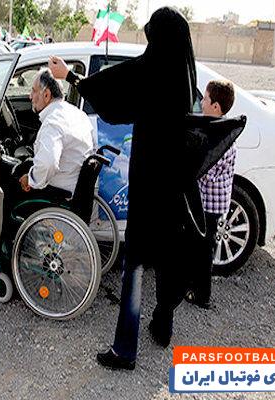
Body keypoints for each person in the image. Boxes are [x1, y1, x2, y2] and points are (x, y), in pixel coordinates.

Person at [48, 7, 200, 370]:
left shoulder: (149, 70)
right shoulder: (185, 78)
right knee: (167, 256)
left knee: (135, 262)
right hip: (175, 187)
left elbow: (111, 90)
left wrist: (70, 75)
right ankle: (162, 326)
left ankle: (125, 350)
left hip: (149, 183)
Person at [186, 79, 237, 309]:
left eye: (205, 99)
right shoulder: (216, 129)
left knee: (205, 251)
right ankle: (193, 286)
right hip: (207, 202)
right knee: (198, 247)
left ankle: (202, 295)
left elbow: (205, 173)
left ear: (216, 106)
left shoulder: (223, 138)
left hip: (211, 205)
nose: (202, 103)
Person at [17, 68, 94, 199]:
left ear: (46, 95)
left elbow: (48, 164)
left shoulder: (52, 123)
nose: (30, 96)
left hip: (60, 193)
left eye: (33, 91)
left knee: (12, 181)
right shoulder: (77, 113)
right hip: (77, 186)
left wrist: (30, 179)